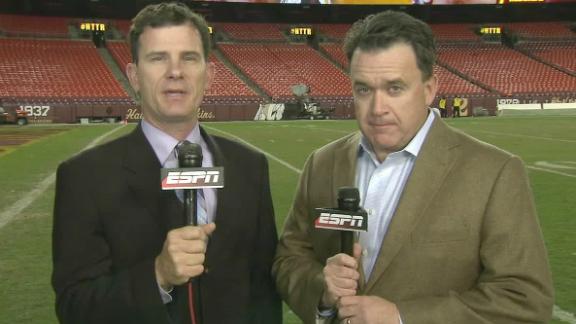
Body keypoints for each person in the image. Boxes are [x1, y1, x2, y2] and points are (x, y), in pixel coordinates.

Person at [272, 10, 553, 324]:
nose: (378, 109)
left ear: (430, 89)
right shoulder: (323, 163)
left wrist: (402, 317)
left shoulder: (494, 173)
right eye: (364, 89)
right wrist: (323, 290)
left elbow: (524, 299)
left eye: (395, 89)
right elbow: (290, 258)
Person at [52, 3, 281, 324]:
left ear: (209, 74)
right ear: (134, 76)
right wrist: (157, 276)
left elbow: (264, 291)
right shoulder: (84, 176)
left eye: (189, 57)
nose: (176, 71)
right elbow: (74, 306)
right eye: (158, 58)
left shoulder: (250, 166)